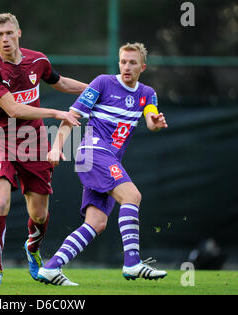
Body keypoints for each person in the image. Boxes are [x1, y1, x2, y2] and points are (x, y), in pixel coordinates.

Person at [37, 42, 169, 286]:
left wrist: (156, 121)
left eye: (132, 62)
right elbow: (72, 116)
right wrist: (56, 146)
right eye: (123, 61)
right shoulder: (102, 83)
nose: (127, 66)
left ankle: (51, 267)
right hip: (94, 152)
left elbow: (150, 117)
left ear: (143, 66)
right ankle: (132, 263)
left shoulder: (147, 93)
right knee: (132, 196)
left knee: (97, 223)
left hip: (108, 158)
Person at [0, 13, 87, 285]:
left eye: (9, 33)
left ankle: (33, 250)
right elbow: (12, 109)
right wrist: (55, 113)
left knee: (39, 214)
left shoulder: (38, 60)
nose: (5, 38)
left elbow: (59, 83)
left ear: (18, 33)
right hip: (0, 138)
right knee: (0, 203)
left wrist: (96, 90)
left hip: (34, 140)